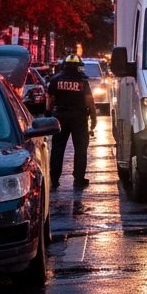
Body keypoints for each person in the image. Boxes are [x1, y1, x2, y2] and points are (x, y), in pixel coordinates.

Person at [46, 53, 97, 192]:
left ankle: (54, 180)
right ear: (78, 66)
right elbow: (89, 101)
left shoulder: (55, 80)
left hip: (60, 117)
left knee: (57, 149)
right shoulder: (82, 81)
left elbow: (49, 101)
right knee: (80, 149)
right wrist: (94, 117)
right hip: (79, 118)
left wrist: (48, 117)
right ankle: (79, 179)